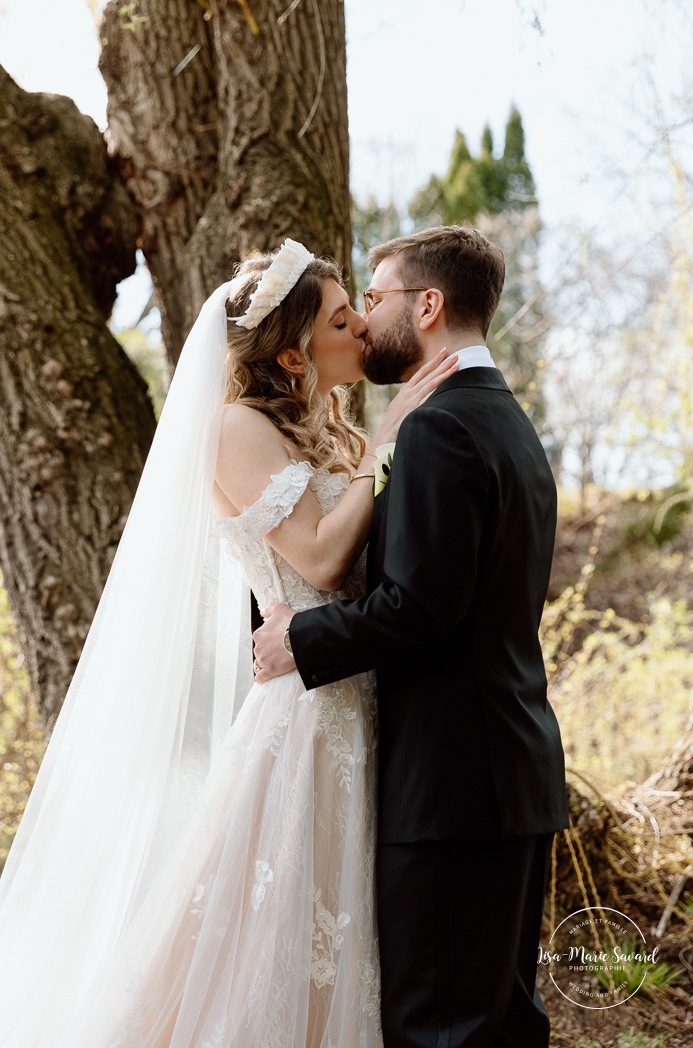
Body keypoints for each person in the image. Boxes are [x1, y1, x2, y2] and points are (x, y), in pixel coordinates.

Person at [0, 238, 457, 1047]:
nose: (361, 331)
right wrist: (388, 444)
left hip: (356, 702)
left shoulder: (328, 429)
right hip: (302, 716)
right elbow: (317, 556)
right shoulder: (235, 427)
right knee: (259, 943)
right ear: (290, 352)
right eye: (341, 320)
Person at [253, 225, 570, 1047]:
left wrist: (303, 640)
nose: (364, 319)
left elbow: (423, 605)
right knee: (498, 1023)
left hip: (449, 787)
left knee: (439, 1029)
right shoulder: (510, 424)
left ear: (427, 306)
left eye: (376, 298)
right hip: (509, 773)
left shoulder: (433, 428)